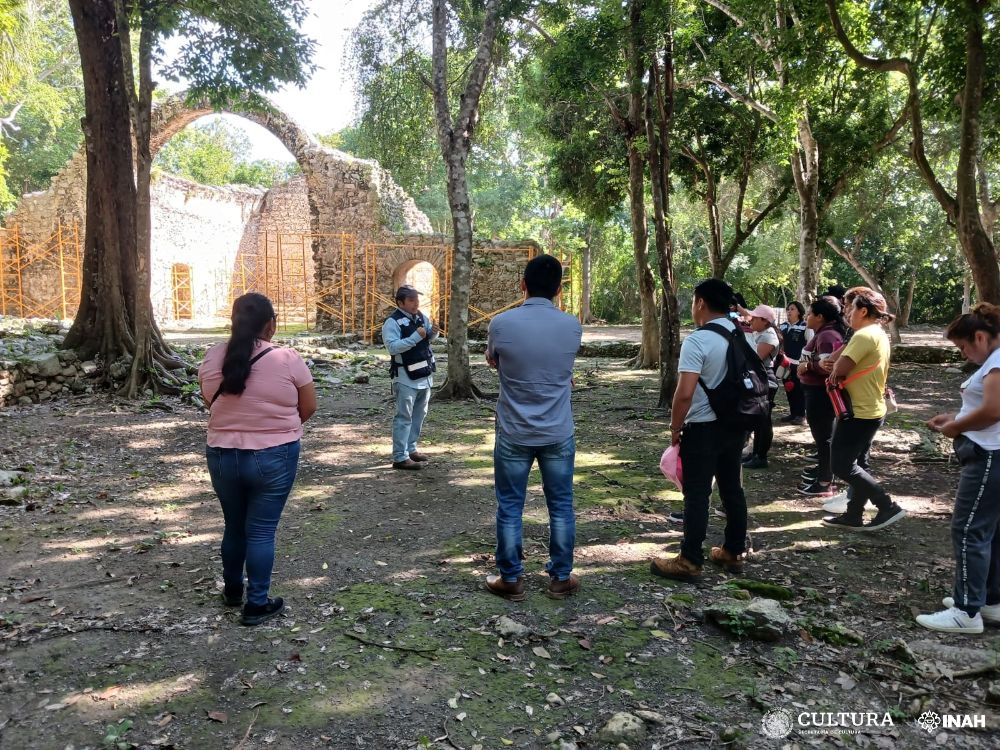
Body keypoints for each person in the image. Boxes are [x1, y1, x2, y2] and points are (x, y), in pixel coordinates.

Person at [198, 293, 317, 626]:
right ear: (271, 325)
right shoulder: (288, 359)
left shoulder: (211, 357)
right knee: (262, 531)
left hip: (221, 454)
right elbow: (308, 407)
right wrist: (276, 429)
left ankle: (233, 590)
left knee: (234, 526)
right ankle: (257, 603)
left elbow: (212, 401)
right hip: (274, 455)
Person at [484, 254, 583, 601]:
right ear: (558, 289)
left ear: (522, 285)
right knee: (561, 504)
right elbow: (563, 370)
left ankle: (511, 578)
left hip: (513, 430)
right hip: (558, 430)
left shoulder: (501, 324)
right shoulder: (572, 325)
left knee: (510, 505)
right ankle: (560, 578)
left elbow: (493, 360)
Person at [650, 278, 749, 582]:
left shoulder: (698, 340)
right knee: (732, 488)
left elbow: (684, 393)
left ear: (701, 303)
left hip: (703, 427)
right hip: (735, 423)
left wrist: (675, 426)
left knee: (697, 494)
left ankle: (690, 559)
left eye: (694, 301)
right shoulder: (738, 334)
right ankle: (733, 551)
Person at [918, 304, 1000, 633]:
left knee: (968, 530)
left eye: (964, 347)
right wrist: (955, 418)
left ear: (980, 336)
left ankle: (966, 612)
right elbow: (983, 406)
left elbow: (993, 410)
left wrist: (957, 428)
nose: (964, 354)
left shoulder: (996, 363)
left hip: (989, 455)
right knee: (990, 531)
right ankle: (990, 600)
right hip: (989, 450)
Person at [821, 288, 906, 531]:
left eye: (850, 308)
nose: (847, 313)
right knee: (857, 463)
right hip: (871, 409)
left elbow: (838, 369)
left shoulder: (863, 336)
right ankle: (853, 514)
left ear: (864, 311)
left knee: (841, 465)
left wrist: (830, 364)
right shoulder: (879, 334)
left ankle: (886, 505)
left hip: (857, 412)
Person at [382, 285, 439, 470]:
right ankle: (400, 456)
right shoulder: (392, 322)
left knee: (419, 414)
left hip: (424, 374)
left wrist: (434, 332)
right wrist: (416, 337)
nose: (416, 303)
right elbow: (392, 347)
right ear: (400, 302)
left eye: (417, 299)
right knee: (404, 416)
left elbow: (427, 338)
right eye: (411, 300)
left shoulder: (421, 316)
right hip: (405, 376)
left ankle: (411, 449)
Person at [797, 298, 846, 497]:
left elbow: (828, 367)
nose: (806, 317)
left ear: (820, 317)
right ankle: (824, 474)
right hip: (814, 392)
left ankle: (825, 482)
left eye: (809, 313)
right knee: (823, 438)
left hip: (820, 394)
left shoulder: (827, 336)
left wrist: (807, 366)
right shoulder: (822, 334)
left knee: (824, 439)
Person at [741, 304, 780, 470]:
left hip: (766, 380)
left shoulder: (769, 336)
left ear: (765, 321)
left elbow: (755, 358)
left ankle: (761, 456)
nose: (751, 320)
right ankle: (755, 452)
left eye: (755, 318)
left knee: (764, 421)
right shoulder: (759, 332)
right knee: (758, 419)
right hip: (757, 378)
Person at [780, 301, 812, 424]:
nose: (789, 311)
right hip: (785, 363)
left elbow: (810, 344)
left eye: (792, 309)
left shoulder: (805, 326)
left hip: (799, 363)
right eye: (788, 309)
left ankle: (801, 415)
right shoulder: (783, 326)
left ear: (799, 311)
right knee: (789, 388)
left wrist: (805, 364)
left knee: (799, 390)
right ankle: (793, 413)